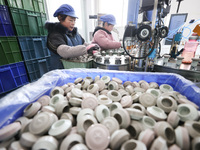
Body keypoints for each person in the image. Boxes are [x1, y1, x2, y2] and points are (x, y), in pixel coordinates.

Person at [45, 4, 99, 70]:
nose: (73, 23)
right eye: (70, 20)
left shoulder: (74, 33)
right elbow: (64, 51)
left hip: (75, 69)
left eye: (74, 20)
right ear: (60, 18)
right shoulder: (54, 35)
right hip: (61, 71)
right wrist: (86, 49)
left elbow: (83, 44)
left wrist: (93, 46)